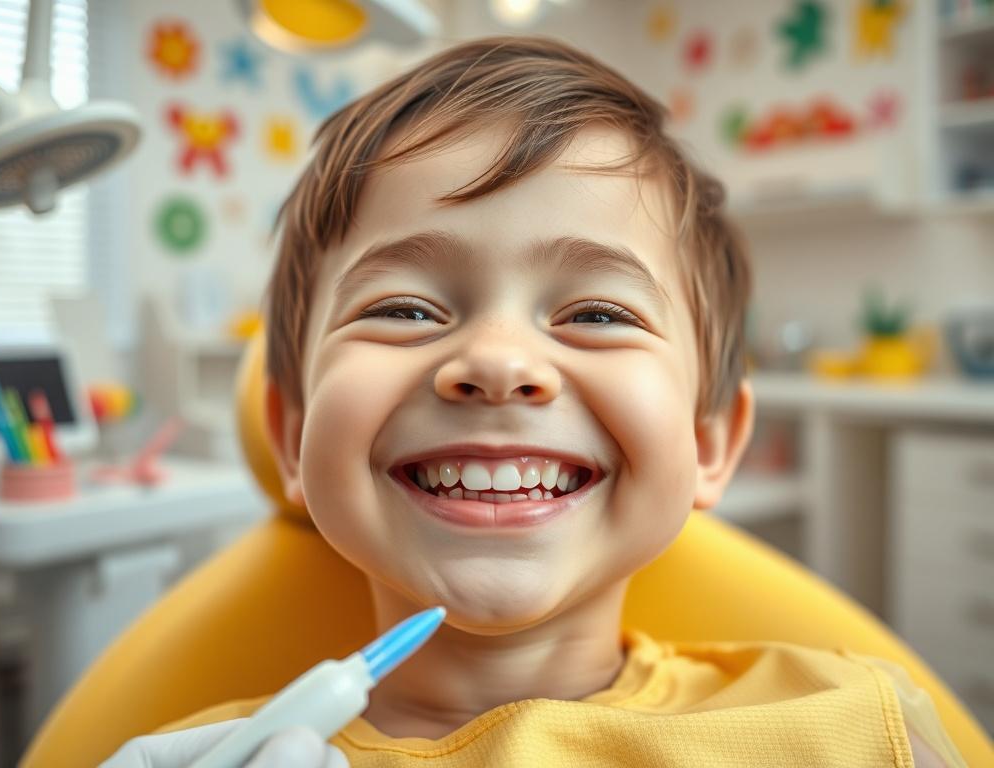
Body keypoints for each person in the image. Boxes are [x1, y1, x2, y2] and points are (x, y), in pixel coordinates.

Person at [103, 36, 965, 767]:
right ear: (288, 436)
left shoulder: (853, 728)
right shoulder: (217, 758)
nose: (498, 361)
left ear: (709, 441)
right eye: (404, 309)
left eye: (596, 313)